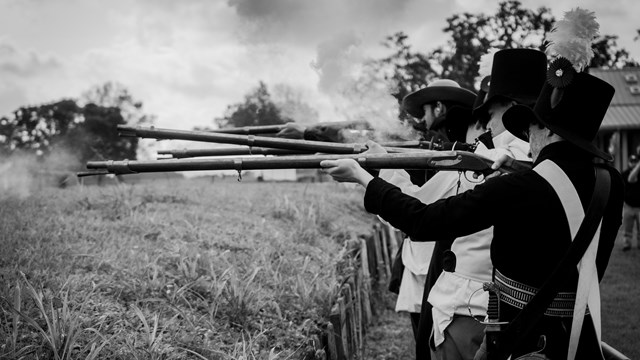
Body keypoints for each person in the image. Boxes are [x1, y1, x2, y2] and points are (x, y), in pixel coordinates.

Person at [320, 51, 623, 360]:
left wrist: (362, 177)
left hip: (519, 340)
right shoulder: (609, 183)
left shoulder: (518, 186)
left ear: (547, 130)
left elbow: (423, 221)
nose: (528, 135)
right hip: (574, 337)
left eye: (532, 126)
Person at [373, 49, 547, 360]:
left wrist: (372, 170)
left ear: (512, 110)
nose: (485, 125)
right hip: (511, 309)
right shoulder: (538, 161)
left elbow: (419, 211)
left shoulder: (498, 163)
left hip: (470, 307)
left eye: (490, 114)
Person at [369, 79, 477, 349]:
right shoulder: (442, 146)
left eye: (427, 110)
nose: (422, 118)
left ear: (439, 107)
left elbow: (415, 203)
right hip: (432, 264)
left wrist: (379, 168)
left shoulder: (454, 152)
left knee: (431, 343)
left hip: (436, 266)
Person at [621, 153, 640, 251]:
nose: (633, 163)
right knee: (627, 227)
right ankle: (627, 244)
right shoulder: (625, 174)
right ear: (628, 162)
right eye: (631, 161)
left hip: (639, 206)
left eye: (635, 162)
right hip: (628, 205)